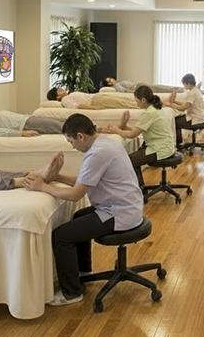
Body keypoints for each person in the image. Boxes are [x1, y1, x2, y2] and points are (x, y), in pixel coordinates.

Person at [23, 114, 144, 306]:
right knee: (79, 216)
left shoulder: (97, 153)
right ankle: (82, 273)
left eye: (71, 141)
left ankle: (72, 292)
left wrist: (42, 187)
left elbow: (75, 195)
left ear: (80, 136)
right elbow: (85, 181)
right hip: (125, 206)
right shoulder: (105, 143)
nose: (72, 146)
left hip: (120, 213)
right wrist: (58, 176)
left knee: (61, 236)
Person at [101, 86, 176, 187]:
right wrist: (124, 125)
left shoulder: (149, 113)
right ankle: (140, 188)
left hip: (160, 149)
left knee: (129, 160)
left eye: (137, 101)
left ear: (143, 100)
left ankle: (139, 189)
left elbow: (132, 135)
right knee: (134, 158)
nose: (136, 104)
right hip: (166, 146)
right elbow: (137, 131)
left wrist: (116, 130)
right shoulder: (155, 109)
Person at [166, 73, 204, 147]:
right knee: (177, 119)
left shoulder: (192, 93)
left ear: (188, 83)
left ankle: (177, 144)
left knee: (174, 122)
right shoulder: (196, 90)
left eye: (184, 84)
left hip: (195, 120)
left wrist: (171, 105)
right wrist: (175, 102)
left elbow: (183, 108)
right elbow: (186, 104)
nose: (184, 86)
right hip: (200, 118)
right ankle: (179, 142)